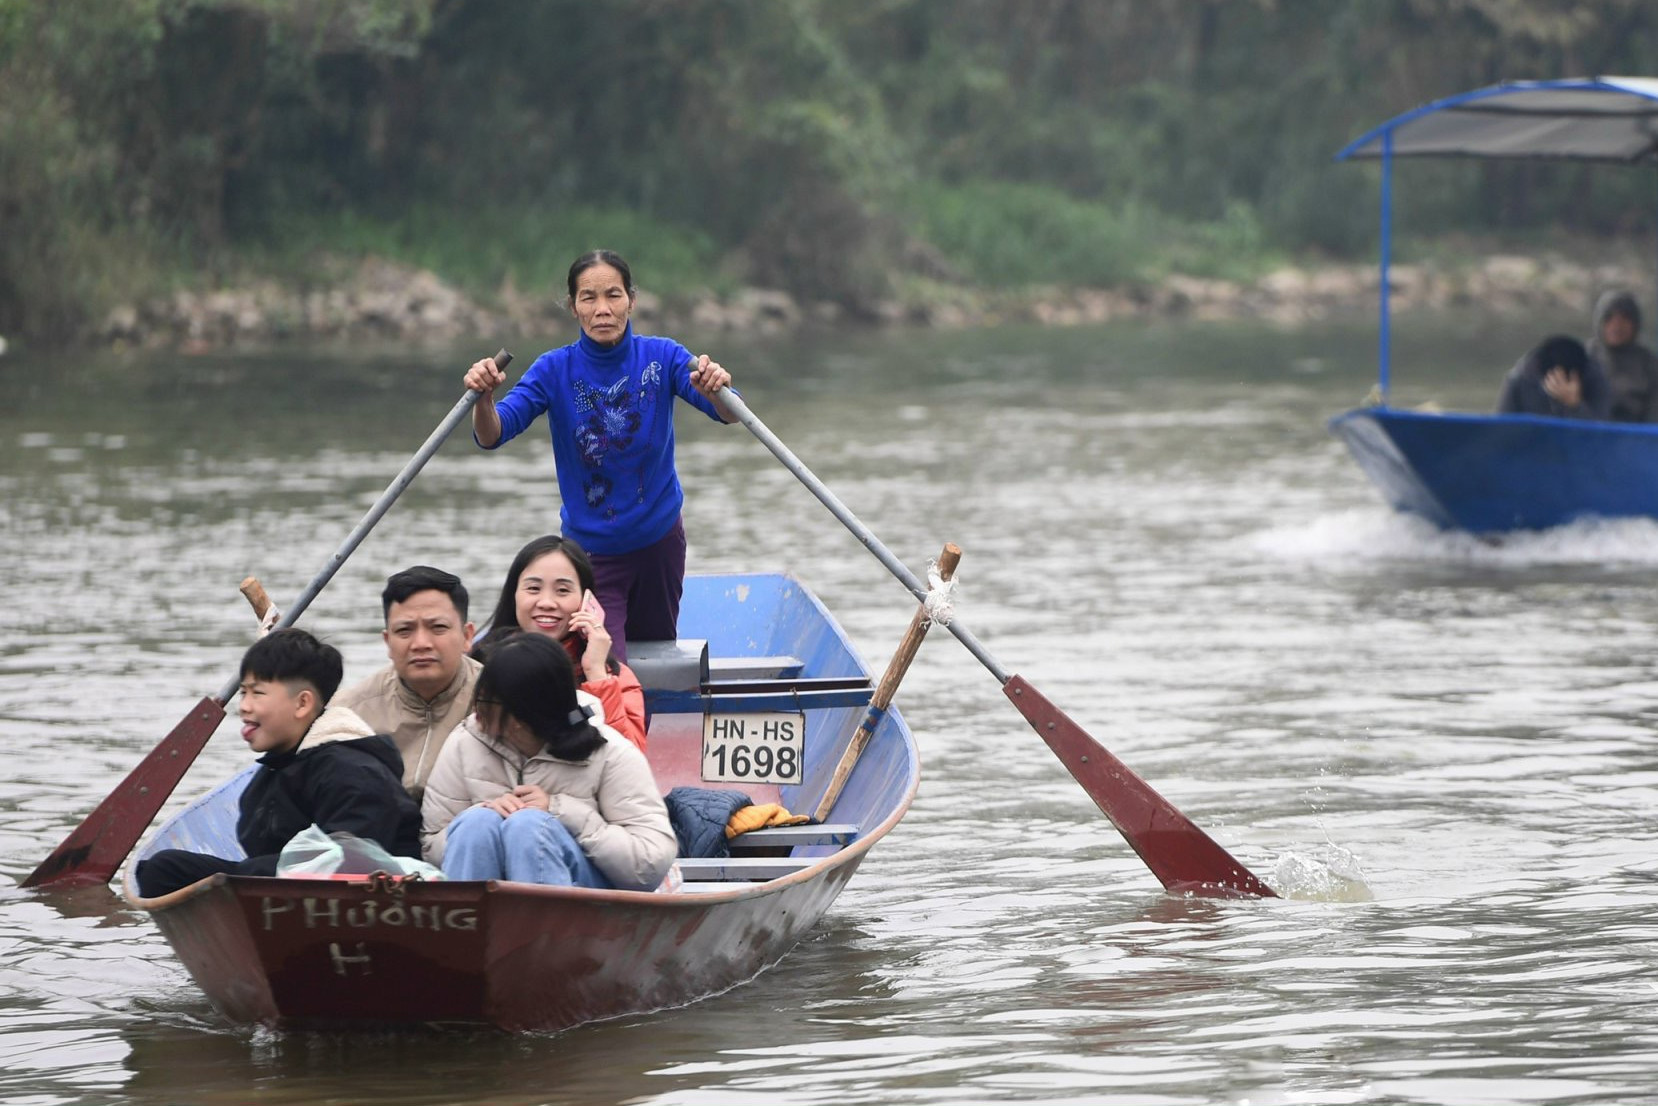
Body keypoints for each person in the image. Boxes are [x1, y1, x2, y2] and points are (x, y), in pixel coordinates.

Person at [462, 249, 737, 661]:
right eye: (589, 298)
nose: (602, 309)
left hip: (660, 543)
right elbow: (493, 433)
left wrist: (718, 387)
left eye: (613, 295)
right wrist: (482, 399)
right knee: (604, 664)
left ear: (632, 300)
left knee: (657, 658)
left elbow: (730, 414)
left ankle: (644, 723)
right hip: (593, 556)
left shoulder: (662, 357)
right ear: (573, 307)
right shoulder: (553, 370)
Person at [134, 628, 421, 898]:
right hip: (292, 892)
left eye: (257, 693)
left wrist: (238, 876)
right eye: (243, 692)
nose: (244, 706)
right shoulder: (274, 771)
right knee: (161, 870)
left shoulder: (353, 771)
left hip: (368, 904)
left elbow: (352, 866)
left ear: (302, 704)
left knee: (167, 870)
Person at [419, 633, 676, 890]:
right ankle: (470, 926)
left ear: (524, 714)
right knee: (477, 823)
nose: (477, 709)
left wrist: (561, 812)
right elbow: (431, 846)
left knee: (529, 827)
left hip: (588, 903)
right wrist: (486, 814)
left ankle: (544, 928)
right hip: (485, 908)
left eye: (486, 701)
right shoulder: (465, 741)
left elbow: (649, 865)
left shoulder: (611, 753)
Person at [481, 534, 647, 751]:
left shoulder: (616, 677)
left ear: (587, 601)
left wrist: (596, 673)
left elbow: (629, 765)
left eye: (563, 590)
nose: (547, 603)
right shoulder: (482, 664)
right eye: (533, 588)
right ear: (513, 595)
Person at [332, 566, 479, 800]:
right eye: (404, 630)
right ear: (388, 641)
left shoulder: (497, 700)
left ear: (467, 636)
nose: (421, 643)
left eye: (438, 628)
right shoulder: (348, 712)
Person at [1495, 334, 1612, 420]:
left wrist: (1575, 405)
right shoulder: (1519, 380)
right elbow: (1503, 429)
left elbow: (1600, 434)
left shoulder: (1596, 379)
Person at [1586, 290, 1658, 423]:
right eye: (1609, 318)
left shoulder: (1649, 364)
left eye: (1625, 318)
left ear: (1635, 323)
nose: (1616, 326)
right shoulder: (1586, 357)